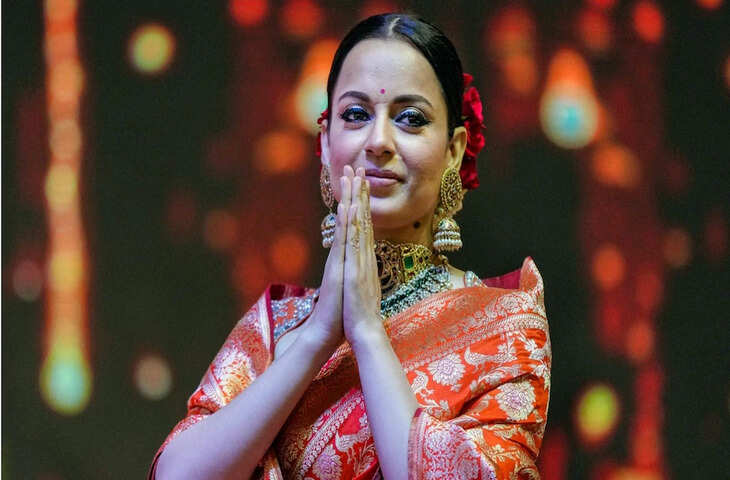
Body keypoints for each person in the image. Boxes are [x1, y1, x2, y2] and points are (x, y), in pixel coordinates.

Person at [150, 13, 550, 480]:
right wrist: (318, 336)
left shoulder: (504, 326)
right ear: (325, 143)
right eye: (356, 115)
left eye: (411, 118)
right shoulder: (277, 326)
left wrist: (367, 332)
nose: (378, 141)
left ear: (454, 149)